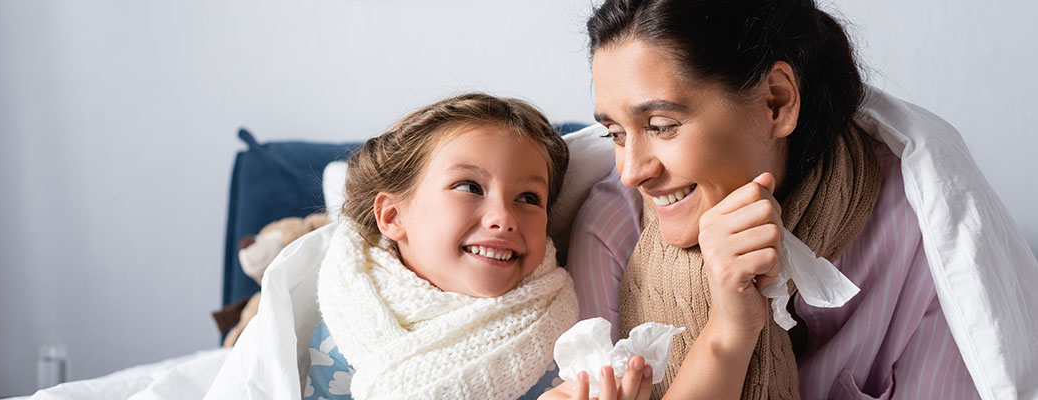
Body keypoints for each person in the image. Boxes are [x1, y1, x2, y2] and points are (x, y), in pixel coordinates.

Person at [565, 0, 1038, 399]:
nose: (632, 172)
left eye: (662, 126)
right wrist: (727, 330)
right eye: (615, 133)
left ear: (776, 101)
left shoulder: (919, 227)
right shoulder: (611, 229)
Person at [300, 93, 653, 400]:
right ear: (393, 217)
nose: (504, 218)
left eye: (529, 197)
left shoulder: (566, 338)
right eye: (470, 188)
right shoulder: (343, 332)